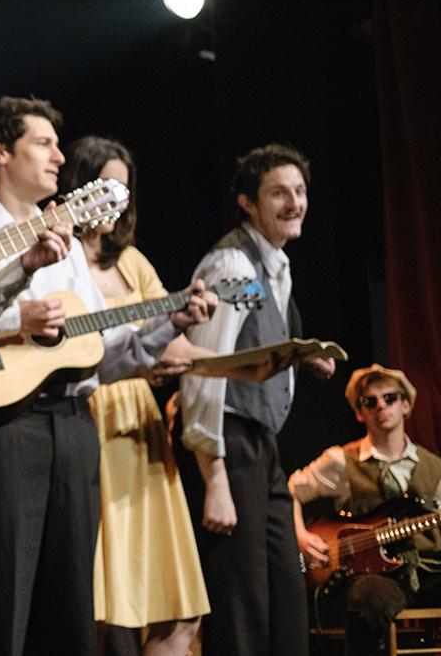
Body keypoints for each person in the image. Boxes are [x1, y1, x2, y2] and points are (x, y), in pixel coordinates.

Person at [0, 97, 212, 656]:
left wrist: (167, 326)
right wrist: (18, 312)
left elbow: (96, 354)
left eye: (59, 145)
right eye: (43, 144)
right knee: (0, 604)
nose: (59, 156)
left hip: (76, 426)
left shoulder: (70, 246)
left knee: (71, 608)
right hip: (2, 427)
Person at [178, 143, 337, 655]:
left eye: (300, 191)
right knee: (242, 598)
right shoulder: (233, 265)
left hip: (262, 444)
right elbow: (204, 369)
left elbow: (256, 343)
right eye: (278, 193)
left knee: (286, 590)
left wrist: (301, 357)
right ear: (248, 203)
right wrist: (215, 479)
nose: (294, 203)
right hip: (228, 441)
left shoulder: (274, 265)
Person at [60, 136, 211, 656]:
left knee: (176, 606)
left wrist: (230, 360)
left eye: (124, 191)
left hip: (139, 429)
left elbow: (175, 343)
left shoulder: (133, 262)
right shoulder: (60, 260)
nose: (117, 202)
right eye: (107, 188)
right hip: (89, 416)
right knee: (103, 606)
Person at [289, 364, 441, 656]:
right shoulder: (341, 460)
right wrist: (300, 536)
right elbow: (289, 491)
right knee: (368, 603)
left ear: (406, 405)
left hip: (428, 571)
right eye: (369, 401)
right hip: (375, 575)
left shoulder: (435, 468)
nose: (381, 406)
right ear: (359, 412)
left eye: (390, 398)